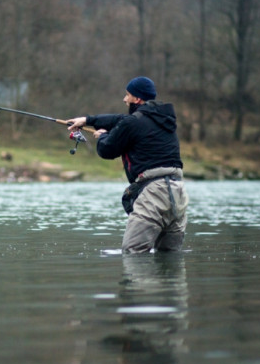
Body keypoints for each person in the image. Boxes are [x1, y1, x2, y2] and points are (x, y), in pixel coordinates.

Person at [66, 76, 189, 253]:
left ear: (137, 99)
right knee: (169, 257)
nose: (125, 99)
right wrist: (88, 120)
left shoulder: (133, 123)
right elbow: (120, 120)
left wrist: (102, 137)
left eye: (127, 95)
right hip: (178, 193)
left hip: (154, 193)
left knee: (133, 253)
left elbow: (107, 150)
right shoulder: (164, 121)